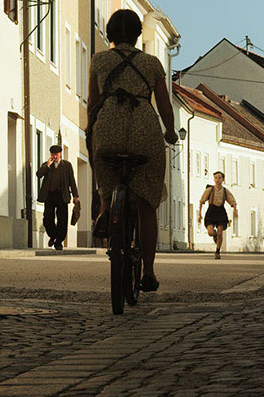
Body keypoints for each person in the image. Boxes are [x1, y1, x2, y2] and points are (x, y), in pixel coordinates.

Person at [88, 9, 178, 292]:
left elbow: (92, 103)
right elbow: (164, 105)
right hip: (144, 132)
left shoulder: (99, 60)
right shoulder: (152, 63)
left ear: (110, 34)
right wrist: (170, 131)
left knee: (106, 172)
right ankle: (148, 272)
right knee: (147, 204)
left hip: (108, 129)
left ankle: (105, 206)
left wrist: (92, 131)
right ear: (138, 35)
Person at [36, 145, 79, 250]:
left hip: (62, 195)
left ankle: (59, 242)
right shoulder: (46, 165)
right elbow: (39, 174)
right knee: (47, 218)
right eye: (53, 154)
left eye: (56, 154)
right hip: (49, 195)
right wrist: (47, 165)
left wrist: (75, 195)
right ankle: (53, 235)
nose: (54, 156)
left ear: (60, 154)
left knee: (62, 220)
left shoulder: (67, 165)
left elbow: (72, 180)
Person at [198, 171, 238, 259]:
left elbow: (232, 201)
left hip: (220, 212)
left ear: (223, 179)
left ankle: (217, 251)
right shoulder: (210, 190)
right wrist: (199, 214)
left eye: (219, 178)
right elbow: (201, 201)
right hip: (211, 211)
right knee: (210, 232)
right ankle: (215, 235)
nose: (217, 180)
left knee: (220, 232)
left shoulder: (225, 191)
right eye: (216, 178)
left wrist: (235, 210)